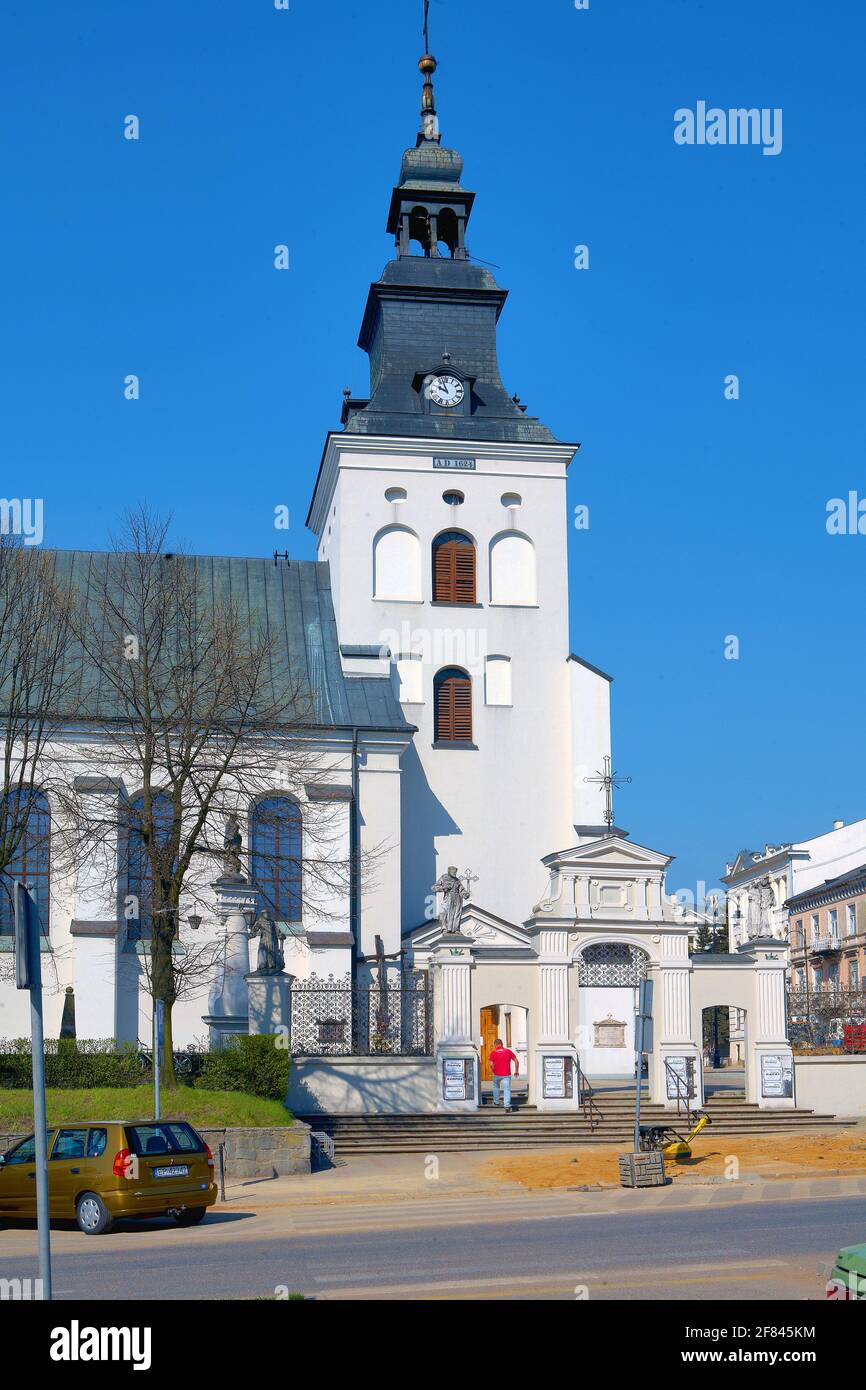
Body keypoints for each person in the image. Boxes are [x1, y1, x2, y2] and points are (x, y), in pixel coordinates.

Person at [489, 1037, 519, 1112]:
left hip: (497, 1074)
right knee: (507, 1090)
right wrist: (516, 1071)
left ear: (495, 1045)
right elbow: (516, 1061)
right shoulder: (508, 1051)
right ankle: (507, 1106)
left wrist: (493, 1070)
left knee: (496, 1087)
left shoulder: (493, 1052)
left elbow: (491, 1064)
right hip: (506, 1074)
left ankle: (496, 1102)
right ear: (502, 1044)